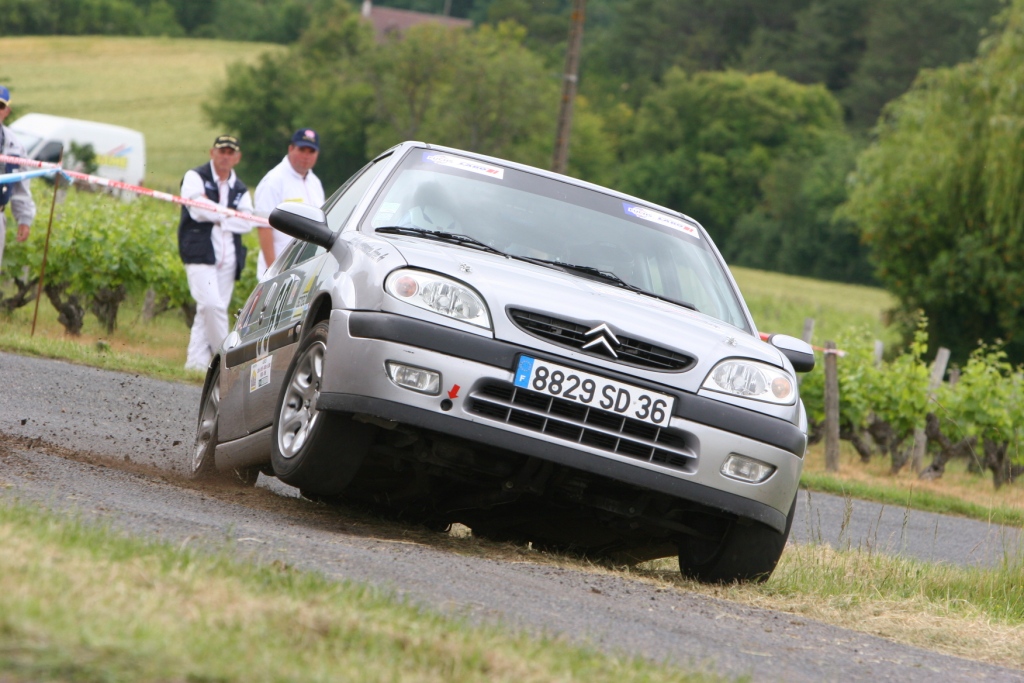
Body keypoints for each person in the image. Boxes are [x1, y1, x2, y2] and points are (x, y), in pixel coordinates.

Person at [178, 134, 254, 372]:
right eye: (221, 151)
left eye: (230, 152)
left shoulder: (240, 188)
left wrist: (216, 214)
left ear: (237, 158)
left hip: (230, 257)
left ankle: (196, 366)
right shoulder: (195, 176)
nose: (225, 156)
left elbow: (247, 223)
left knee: (206, 311)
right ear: (212, 153)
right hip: (199, 252)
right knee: (213, 306)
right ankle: (230, 363)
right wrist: (228, 214)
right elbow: (196, 209)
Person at [254, 128, 325, 279]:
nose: (306, 156)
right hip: (279, 270)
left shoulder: (315, 182)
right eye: (302, 149)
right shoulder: (273, 181)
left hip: (306, 270)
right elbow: (264, 227)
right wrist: (273, 272)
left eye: (311, 151)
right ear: (290, 148)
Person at [0, 85, 36, 269]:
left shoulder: (15, 146)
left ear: (7, 111)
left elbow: (22, 184)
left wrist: (24, 218)